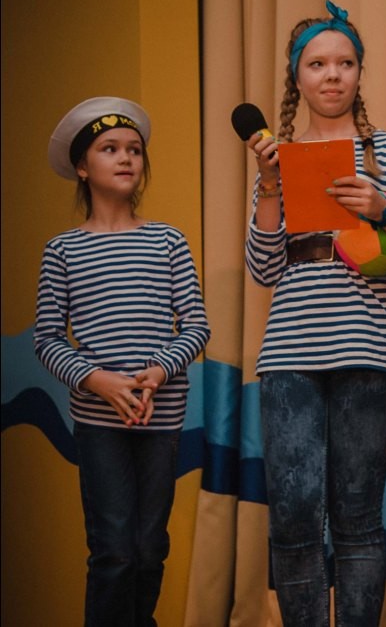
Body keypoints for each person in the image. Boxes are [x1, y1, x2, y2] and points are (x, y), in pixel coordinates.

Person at [243, 0, 386, 626]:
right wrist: (269, 186)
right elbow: (263, 269)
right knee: (293, 515)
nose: (332, 75)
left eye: (345, 63)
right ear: (297, 76)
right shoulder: (279, 158)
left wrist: (385, 210)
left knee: (358, 518)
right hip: (290, 354)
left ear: (360, 73)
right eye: (317, 64)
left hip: (374, 352)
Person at [35, 97, 211, 626]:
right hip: (99, 422)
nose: (126, 157)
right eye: (109, 149)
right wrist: (99, 381)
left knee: (149, 548)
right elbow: (48, 339)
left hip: (161, 417)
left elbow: (196, 326)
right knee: (114, 551)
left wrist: (158, 371)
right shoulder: (62, 250)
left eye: (134, 149)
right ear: (82, 168)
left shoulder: (168, 240)